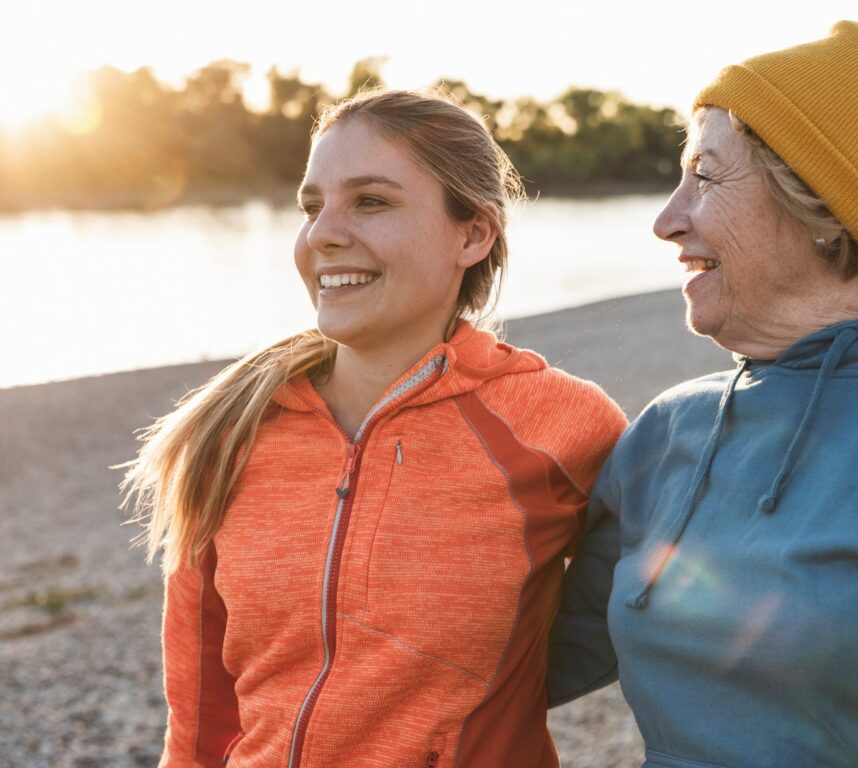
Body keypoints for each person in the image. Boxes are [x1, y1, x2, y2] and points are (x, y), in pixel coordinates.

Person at [548, 21, 858, 767]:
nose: (666, 219)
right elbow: (518, 666)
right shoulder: (665, 434)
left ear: (824, 205)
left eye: (703, 175)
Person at [122, 89, 627, 767]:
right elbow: (200, 717)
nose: (322, 233)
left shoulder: (565, 426)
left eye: (371, 201)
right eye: (311, 206)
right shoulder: (229, 432)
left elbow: (654, 615)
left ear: (473, 234)